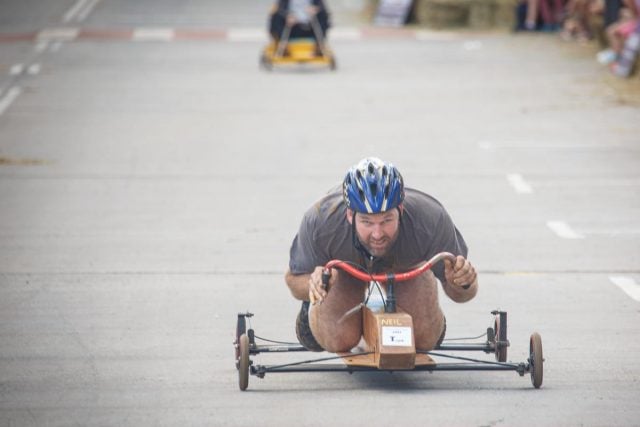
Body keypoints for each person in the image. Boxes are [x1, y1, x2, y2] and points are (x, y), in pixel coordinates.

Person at [285, 157, 479, 353]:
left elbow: (463, 295)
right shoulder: (321, 221)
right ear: (350, 215)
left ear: (400, 210)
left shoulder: (431, 219)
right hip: (345, 271)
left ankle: (429, 319)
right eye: (367, 222)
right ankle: (310, 311)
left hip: (406, 269)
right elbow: (293, 280)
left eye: (387, 220)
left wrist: (463, 283)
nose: (377, 234)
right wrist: (315, 284)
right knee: (338, 340)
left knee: (425, 339)